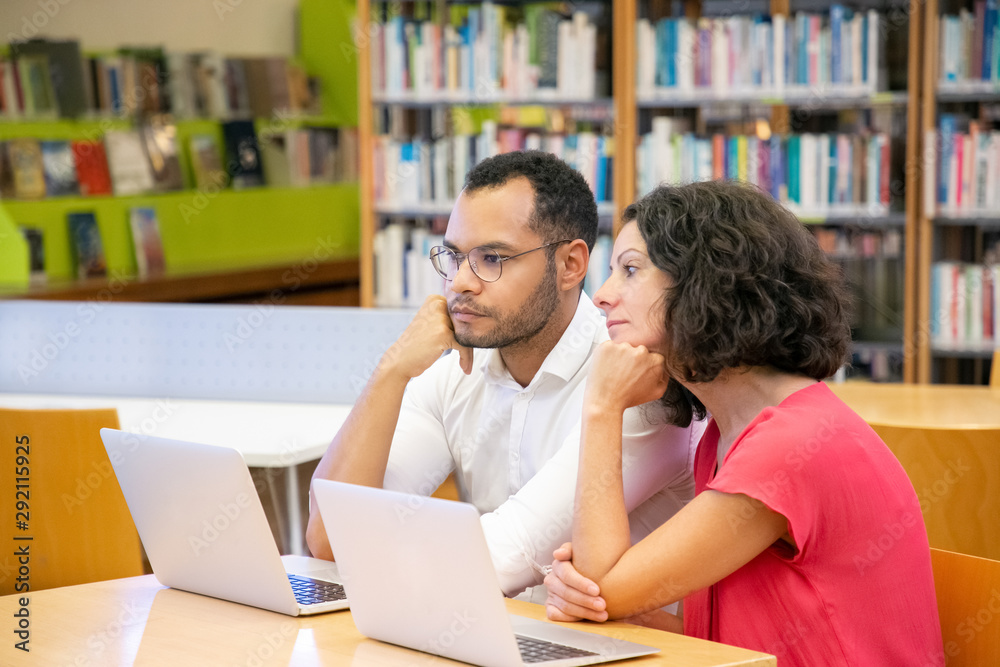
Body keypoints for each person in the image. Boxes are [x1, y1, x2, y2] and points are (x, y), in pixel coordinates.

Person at [543, 180, 944, 665]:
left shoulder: (791, 445)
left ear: (705, 281)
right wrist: (601, 599)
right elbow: (733, 627)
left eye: (630, 270)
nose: (603, 296)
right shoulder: (723, 434)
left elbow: (605, 579)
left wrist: (602, 408)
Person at [306, 151, 702, 600]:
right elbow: (328, 540)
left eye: (491, 258)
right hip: (497, 635)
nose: (459, 283)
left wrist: (368, 548)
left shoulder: (637, 383)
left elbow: (496, 561)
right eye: (454, 257)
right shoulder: (456, 369)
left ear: (571, 265)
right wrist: (392, 369)